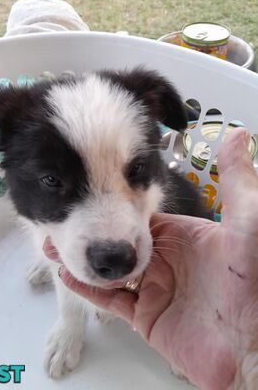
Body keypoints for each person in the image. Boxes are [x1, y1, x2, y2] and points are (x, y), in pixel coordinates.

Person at [43, 128, 258, 390]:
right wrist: (70, 325)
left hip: (180, 265)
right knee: (57, 263)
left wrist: (246, 350)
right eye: (52, 180)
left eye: (134, 170)